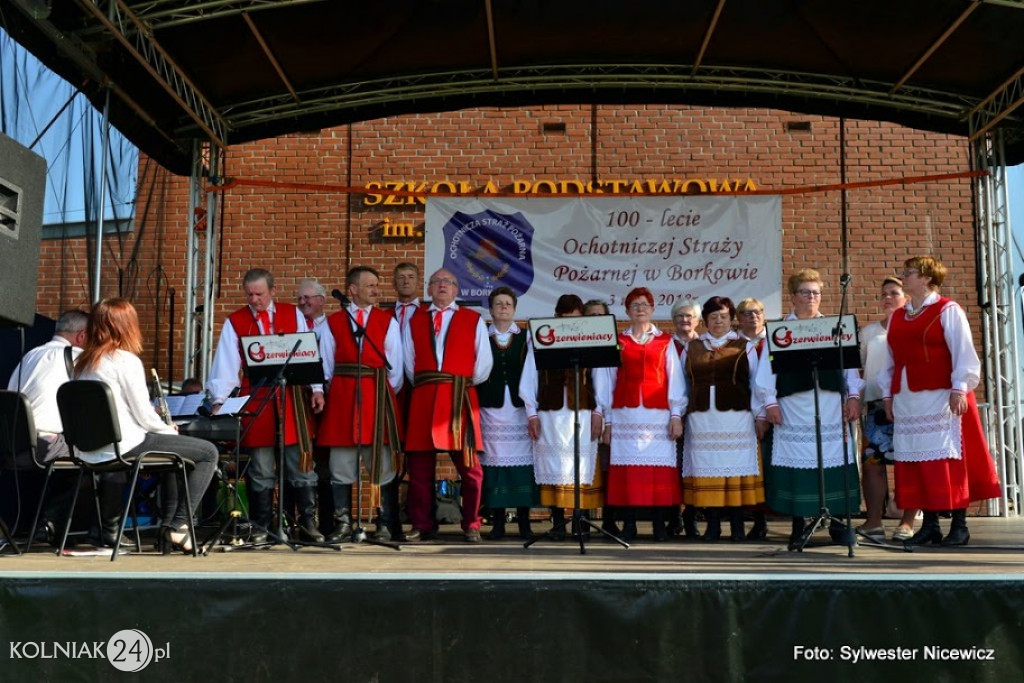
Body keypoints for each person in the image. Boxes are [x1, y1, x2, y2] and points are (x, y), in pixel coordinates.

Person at [75, 299, 218, 553]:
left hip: (89, 450)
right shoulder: (125, 360)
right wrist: (168, 429)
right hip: (125, 444)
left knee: (177, 454)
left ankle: (168, 527)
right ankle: (179, 527)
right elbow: (143, 415)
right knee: (208, 452)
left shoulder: (82, 364)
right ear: (126, 326)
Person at [880, 256, 1001, 547]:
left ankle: (959, 525)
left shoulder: (948, 310)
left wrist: (960, 387)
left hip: (942, 396)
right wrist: (888, 395)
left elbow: (963, 352)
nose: (903, 276)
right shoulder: (899, 315)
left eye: (909, 272)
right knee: (917, 463)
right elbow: (890, 360)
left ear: (927, 279)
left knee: (948, 461)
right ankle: (930, 525)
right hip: (908, 399)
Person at [207, 268, 322, 543]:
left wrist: (316, 389)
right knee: (260, 465)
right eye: (250, 294)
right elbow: (226, 364)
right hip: (257, 395)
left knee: (300, 462)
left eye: (259, 293)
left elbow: (309, 352)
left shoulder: (293, 314)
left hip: (291, 396)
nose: (254, 299)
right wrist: (220, 400)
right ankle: (262, 525)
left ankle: (307, 523)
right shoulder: (235, 321)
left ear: (272, 291)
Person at [755, 269, 862, 545]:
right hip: (794, 406)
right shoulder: (779, 331)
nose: (811, 297)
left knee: (833, 459)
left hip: (829, 404)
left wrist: (852, 397)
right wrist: (769, 402)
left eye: (815, 292)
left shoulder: (834, 327)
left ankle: (838, 521)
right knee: (798, 461)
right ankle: (798, 523)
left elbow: (850, 368)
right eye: (805, 292)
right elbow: (766, 373)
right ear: (793, 296)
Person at [6, 310, 129, 547]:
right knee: (108, 453)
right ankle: (107, 531)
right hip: (44, 445)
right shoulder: (77, 357)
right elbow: (101, 405)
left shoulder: (30, 355)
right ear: (82, 337)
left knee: (75, 462)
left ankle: (48, 524)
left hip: (13, 446)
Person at [311, 266, 405, 543]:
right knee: (341, 463)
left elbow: (396, 370)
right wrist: (333, 392)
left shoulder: (388, 321)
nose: (376, 290)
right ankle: (343, 523)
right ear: (352, 290)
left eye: (377, 285)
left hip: (377, 395)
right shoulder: (333, 322)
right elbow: (325, 364)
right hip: (343, 396)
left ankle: (384, 522)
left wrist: (382, 394)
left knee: (382, 463)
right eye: (370, 285)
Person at [402, 268, 493, 542]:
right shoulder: (415, 320)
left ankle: (472, 523)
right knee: (419, 467)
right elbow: (409, 362)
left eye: (448, 282)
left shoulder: (473, 319)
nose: (442, 286)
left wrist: (458, 383)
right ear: (429, 289)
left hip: (459, 399)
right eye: (437, 282)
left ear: (456, 290)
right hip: (425, 396)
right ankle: (422, 524)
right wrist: (432, 381)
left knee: (470, 468)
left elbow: (483, 364)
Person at [596, 287, 686, 541]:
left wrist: (676, 414)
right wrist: (608, 420)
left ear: (652, 309)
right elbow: (607, 381)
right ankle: (629, 525)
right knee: (628, 473)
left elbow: (674, 378)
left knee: (657, 472)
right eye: (634, 305)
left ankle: (659, 525)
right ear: (626, 310)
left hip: (657, 415)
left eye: (644, 304)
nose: (640, 308)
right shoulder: (618, 342)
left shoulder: (664, 341)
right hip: (625, 415)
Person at [521, 295, 604, 541]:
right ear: (557, 317)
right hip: (551, 411)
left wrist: (599, 411)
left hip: (583, 410)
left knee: (581, 465)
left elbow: (601, 378)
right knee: (555, 465)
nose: (569, 322)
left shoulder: (591, 340)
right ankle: (558, 522)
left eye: (575, 318)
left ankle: (583, 522)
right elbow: (529, 377)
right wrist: (531, 413)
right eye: (565, 318)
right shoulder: (542, 338)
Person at [680, 296, 763, 542]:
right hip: (702, 419)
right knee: (707, 471)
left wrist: (760, 415)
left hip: (736, 418)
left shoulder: (744, 346)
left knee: (735, 472)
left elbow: (757, 383)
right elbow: (683, 384)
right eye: (713, 317)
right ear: (705, 321)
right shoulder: (691, 348)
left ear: (732, 319)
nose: (718, 321)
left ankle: (737, 525)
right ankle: (713, 525)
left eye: (723, 316)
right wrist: (679, 413)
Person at [858, 277, 918, 542]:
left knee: (909, 464)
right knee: (872, 464)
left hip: (909, 405)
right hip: (876, 408)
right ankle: (873, 522)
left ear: (906, 297)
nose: (888, 298)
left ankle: (906, 522)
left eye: (894, 293)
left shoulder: (914, 328)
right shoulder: (869, 333)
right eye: (883, 294)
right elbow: (858, 369)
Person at [478, 286, 537, 540]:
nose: (503, 307)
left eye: (508, 304)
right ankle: (498, 522)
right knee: (494, 467)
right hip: (490, 409)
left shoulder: (527, 337)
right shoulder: (481, 335)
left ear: (514, 309)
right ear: (490, 310)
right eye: (498, 303)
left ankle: (524, 522)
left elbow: (533, 374)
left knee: (522, 468)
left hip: (519, 409)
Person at [736, 297, 770, 540]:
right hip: (741, 413)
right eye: (746, 313)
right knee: (753, 469)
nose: (752, 317)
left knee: (772, 467)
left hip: (775, 410)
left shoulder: (775, 339)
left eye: (757, 312)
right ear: (738, 318)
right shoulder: (733, 344)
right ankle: (759, 520)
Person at [584, 298, 617, 536]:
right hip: (582, 413)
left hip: (611, 414)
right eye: (591, 315)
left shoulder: (614, 346)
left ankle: (610, 519)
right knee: (585, 468)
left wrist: (607, 416)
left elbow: (614, 384)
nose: (596, 320)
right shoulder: (578, 344)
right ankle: (583, 518)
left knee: (608, 467)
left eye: (600, 315)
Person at [669, 299, 702, 538]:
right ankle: (673, 518)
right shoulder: (666, 344)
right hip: (671, 414)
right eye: (680, 316)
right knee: (673, 465)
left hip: (700, 413)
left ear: (698, 320)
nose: (685, 320)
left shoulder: (705, 345)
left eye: (689, 316)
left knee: (694, 467)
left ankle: (692, 517)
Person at [391, 262, 422, 335]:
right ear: (394, 284)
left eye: (411, 277)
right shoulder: (386, 315)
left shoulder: (429, 314)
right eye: (401, 277)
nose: (406, 282)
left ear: (418, 284)